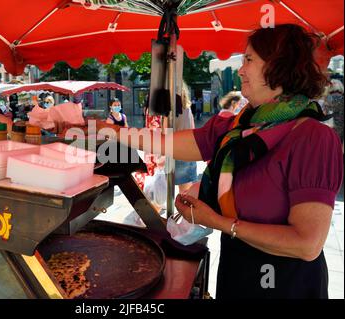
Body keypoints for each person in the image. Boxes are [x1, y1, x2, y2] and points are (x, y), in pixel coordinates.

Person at [89, 24, 343, 299]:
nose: (241, 70)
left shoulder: (312, 137)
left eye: (249, 60)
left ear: (279, 67)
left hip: (286, 286)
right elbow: (175, 142)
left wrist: (218, 221)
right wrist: (114, 131)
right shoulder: (241, 124)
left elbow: (307, 244)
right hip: (237, 272)